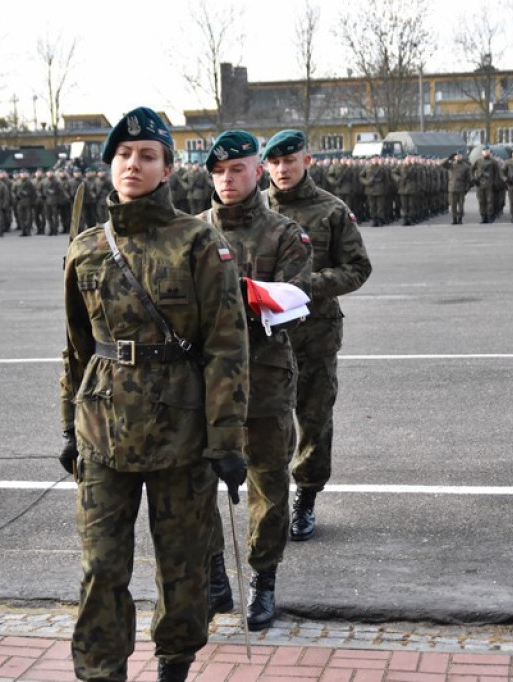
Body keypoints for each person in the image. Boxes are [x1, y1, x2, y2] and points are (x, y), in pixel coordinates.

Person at [59, 106, 250, 682]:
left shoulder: (200, 243)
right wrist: (67, 426)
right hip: (103, 432)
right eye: (123, 155)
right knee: (99, 571)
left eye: (146, 156)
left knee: (182, 568)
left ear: (167, 168)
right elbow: (75, 348)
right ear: (110, 165)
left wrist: (226, 440)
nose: (133, 164)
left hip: (182, 435)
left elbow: (226, 347)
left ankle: (175, 664)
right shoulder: (87, 249)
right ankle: (101, 672)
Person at [199, 130, 312, 631]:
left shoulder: (284, 234)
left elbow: (296, 299)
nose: (228, 179)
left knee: (269, 482)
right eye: (219, 172)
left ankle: (263, 579)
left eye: (237, 169)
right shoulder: (192, 232)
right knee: (194, 486)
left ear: (257, 170)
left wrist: (245, 298)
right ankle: (212, 575)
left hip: (264, 377)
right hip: (203, 384)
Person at [263, 129, 372, 542]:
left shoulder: (332, 210)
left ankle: (306, 498)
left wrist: (305, 285)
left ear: (306, 161)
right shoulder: (252, 211)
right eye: (274, 162)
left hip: (315, 337)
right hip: (266, 339)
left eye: (289, 161)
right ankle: (270, 501)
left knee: (313, 421)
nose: (282, 169)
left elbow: (358, 268)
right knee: (267, 425)